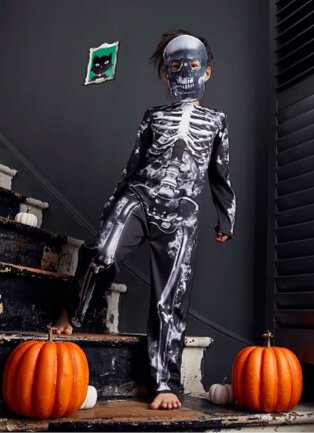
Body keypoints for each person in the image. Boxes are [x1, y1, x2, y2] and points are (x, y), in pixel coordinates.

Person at [54, 29, 236, 410]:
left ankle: (164, 382)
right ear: (166, 74)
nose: (185, 70)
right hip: (140, 198)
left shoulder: (217, 121)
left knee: (171, 296)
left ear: (207, 73)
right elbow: (132, 166)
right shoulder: (153, 117)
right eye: (175, 65)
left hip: (183, 212)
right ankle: (74, 310)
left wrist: (226, 218)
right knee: (103, 252)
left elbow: (219, 174)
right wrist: (111, 209)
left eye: (193, 64)